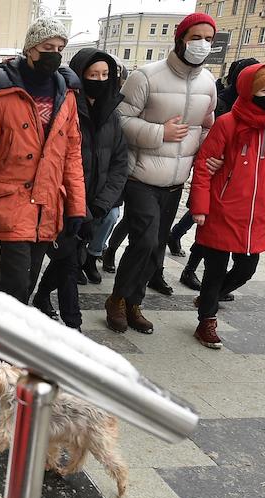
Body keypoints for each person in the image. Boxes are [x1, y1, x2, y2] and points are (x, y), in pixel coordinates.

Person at [0, 18, 86, 305]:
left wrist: (77, 207)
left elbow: (72, 156)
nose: (54, 54)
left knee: (27, 283)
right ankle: (4, 332)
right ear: (30, 49)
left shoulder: (67, 96)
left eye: (59, 48)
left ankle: (9, 326)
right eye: (47, 47)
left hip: (47, 204)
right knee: (14, 282)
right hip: (12, 203)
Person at [106, 12, 217, 334]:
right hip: (141, 176)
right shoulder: (146, 76)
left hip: (176, 181)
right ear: (180, 39)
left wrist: (208, 156)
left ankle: (134, 302)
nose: (202, 44)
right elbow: (119, 121)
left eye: (208, 39)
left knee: (156, 247)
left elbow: (206, 127)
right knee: (144, 241)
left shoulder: (208, 82)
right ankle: (117, 300)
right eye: (196, 37)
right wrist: (159, 133)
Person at [189, 64, 265, 348]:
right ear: (249, 92)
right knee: (214, 270)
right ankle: (207, 320)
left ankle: (209, 299)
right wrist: (199, 207)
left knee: (247, 268)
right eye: (264, 90)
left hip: (255, 214)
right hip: (222, 209)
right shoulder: (227, 123)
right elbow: (204, 166)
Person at [170, 56, 258, 290]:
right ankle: (190, 270)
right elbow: (208, 135)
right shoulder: (224, 102)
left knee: (203, 218)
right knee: (204, 220)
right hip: (213, 173)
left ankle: (176, 236)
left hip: (233, 179)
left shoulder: (252, 104)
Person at [54, 48, 128, 294]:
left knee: (108, 218)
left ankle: (89, 258)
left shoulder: (112, 114)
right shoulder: (66, 108)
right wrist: (79, 204)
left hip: (100, 196)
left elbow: (120, 162)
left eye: (105, 74)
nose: (100, 80)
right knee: (65, 254)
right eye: (93, 74)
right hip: (71, 197)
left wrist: (102, 202)